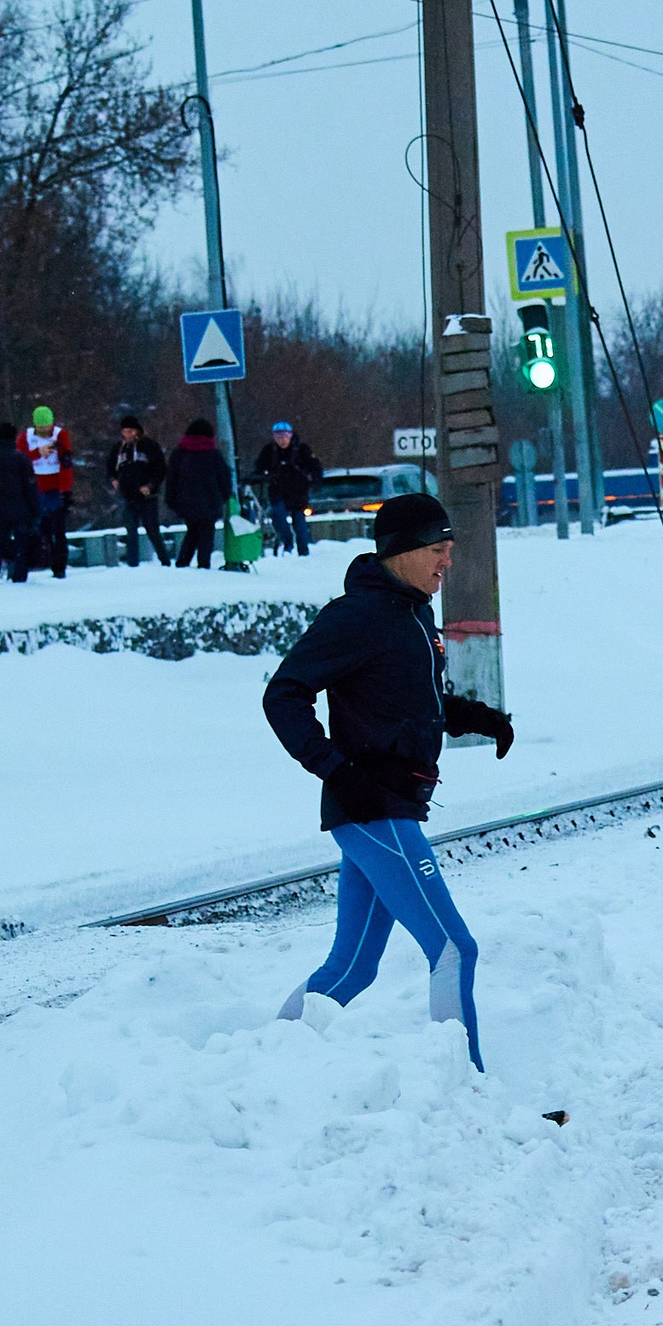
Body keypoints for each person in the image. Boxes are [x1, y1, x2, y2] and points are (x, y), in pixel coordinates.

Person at [263, 493, 517, 1072]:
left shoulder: (414, 615)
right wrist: (334, 769)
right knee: (454, 948)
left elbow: (409, 700)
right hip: (371, 805)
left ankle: (266, 1061)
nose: (446, 562)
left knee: (352, 968)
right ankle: (465, 1087)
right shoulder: (354, 616)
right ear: (401, 551)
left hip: (392, 803)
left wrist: (475, 717)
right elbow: (283, 694)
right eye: (437, 550)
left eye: (450, 551)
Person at [164, 418, 230, 569]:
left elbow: (171, 479)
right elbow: (224, 478)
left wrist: (171, 500)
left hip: (186, 502)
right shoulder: (214, 455)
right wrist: (225, 496)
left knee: (192, 532)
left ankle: (182, 562)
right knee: (206, 535)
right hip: (210, 502)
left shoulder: (179, 454)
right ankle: (204, 564)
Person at [16, 407, 72, 577]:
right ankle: (40, 560)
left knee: (58, 529)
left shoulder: (60, 435)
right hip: (36, 489)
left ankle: (60, 567)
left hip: (56, 489)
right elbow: (21, 460)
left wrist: (65, 489)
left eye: (47, 426)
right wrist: (37, 453)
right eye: (41, 427)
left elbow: (67, 460)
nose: (44, 430)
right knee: (41, 528)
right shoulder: (26, 437)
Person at [252, 420, 321, 555]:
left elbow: (315, 467)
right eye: (278, 438)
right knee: (278, 517)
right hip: (278, 492)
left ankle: (303, 551)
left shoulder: (302, 450)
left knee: (300, 522)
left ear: (290, 436)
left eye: (285, 437)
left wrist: (315, 480)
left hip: (299, 492)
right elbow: (259, 468)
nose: (282, 441)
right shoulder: (269, 451)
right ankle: (287, 544)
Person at [111, 415, 169, 566]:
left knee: (152, 529)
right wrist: (114, 479)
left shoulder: (149, 446)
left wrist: (150, 486)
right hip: (128, 495)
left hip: (147, 496)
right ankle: (133, 563)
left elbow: (160, 469)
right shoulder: (119, 448)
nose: (128, 435)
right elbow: (110, 468)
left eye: (130, 431)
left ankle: (165, 561)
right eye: (125, 431)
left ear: (137, 431)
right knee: (131, 530)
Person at [0, 423, 41, 584]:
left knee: (3, 542)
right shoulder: (21, 459)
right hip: (19, 509)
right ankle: (19, 577)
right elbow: (30, 487)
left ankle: (7, 561)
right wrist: (35, 511)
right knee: (21, 545)